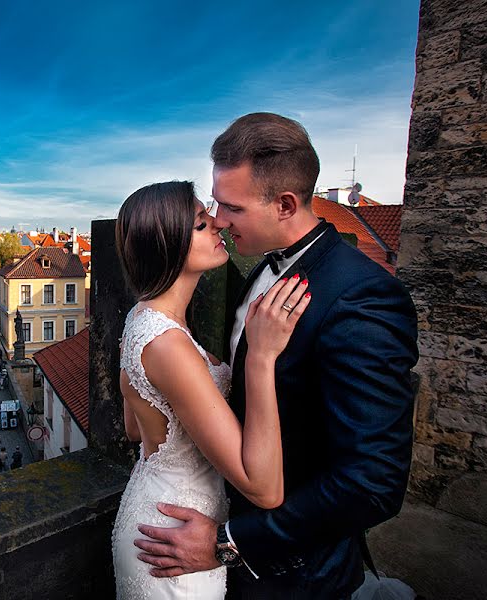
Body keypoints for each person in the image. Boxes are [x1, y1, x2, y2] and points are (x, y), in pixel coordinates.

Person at [130, 114, 418, 599]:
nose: (219, 219)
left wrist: (230, 544)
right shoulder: (262, 267)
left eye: (231, 207)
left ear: (284, 204)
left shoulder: (361, 297)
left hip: (295, 576)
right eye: (215, 206)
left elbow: (375, 482)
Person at [109, 179, 308, 599]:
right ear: (169, 244)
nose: (218, 223)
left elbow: (135, 427)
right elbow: (265, 487)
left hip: (158, 513)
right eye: (202, 223)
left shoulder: (142, 320)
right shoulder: (166, 343)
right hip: (174, 542)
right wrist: (261, 357)